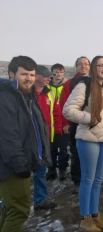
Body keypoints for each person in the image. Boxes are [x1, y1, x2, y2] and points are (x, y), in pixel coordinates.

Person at [63, 55, 103, 231]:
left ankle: (95, 216)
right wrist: (90, 118)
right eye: (100, 65)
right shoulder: (84, 86)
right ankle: (85, 218)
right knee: (87, 179)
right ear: (94, 68)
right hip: (87, 139)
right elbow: (68, 110)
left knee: (98, 180)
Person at [0, 56, 51, 231]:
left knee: (10, 208)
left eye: (31, 74)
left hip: (21, 162)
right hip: (11, 165)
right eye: (24, 74)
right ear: (12, 74)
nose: (28, 78)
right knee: (19, 211)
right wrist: (19, 163)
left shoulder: (25, 96)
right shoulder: (7, 97)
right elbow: (8, 135)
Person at [60, 56, 90, 194]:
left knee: (91, 152)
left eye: (86, 64)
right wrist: (66, 123)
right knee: (76, 152)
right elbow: (63, 104)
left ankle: (89, 179)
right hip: (75, 123)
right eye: (80, 64)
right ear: (76, 66)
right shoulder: (70, 83)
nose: (83, 66)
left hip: (92, 123)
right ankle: (77, 181)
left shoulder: (97, 82)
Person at [32, 65, 59, 210]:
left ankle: (40, 200)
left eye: (50, 76)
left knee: (41, 170)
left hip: (44, 137)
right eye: (46, 76)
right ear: (36, 76)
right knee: (19, 173)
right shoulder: (24, 93)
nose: (49, 78)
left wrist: (58, 130)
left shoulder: (50, 94)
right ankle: (7, 204)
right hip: (28, 138)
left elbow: (56, 113)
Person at [46, 63, 69, 180]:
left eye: (61, 72)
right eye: (56, 72)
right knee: (51, 149)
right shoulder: (47, 87)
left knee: (63, 148)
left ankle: (62, 170)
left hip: (64, 121)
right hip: (50, 123)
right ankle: (51, 169)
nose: (59, 74)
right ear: (52, 73)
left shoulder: (67, 86)